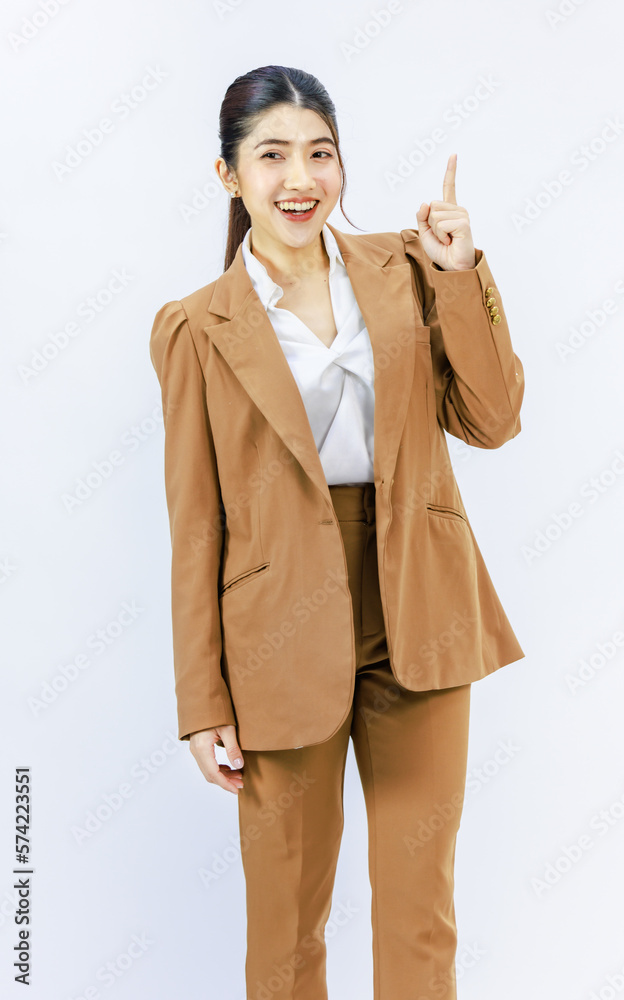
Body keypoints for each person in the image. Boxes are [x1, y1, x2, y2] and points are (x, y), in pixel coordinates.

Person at [149, 64, 525, 1000]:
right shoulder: (196, 328)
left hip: (419, 608)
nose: (300, 178)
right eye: (271, 156)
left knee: (419, 914)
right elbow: (193, 523)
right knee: (285, 928)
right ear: (228, 176)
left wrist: (459, 273)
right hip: (275, 632)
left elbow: (492, 418)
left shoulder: (407, 268)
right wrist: (202, 697)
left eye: (319, 154)